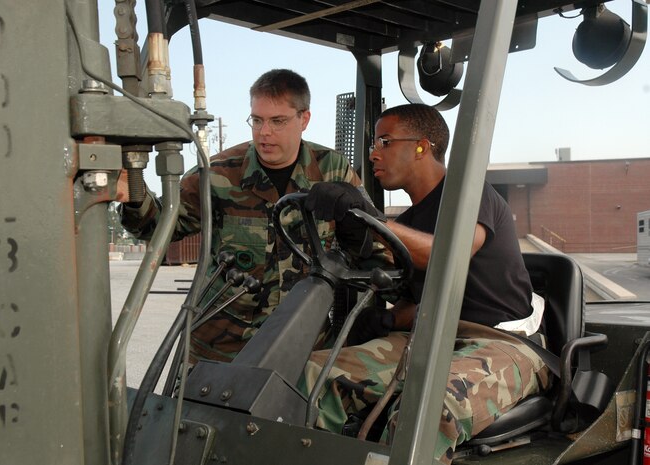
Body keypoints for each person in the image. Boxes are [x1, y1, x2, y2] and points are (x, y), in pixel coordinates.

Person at [300, 103, 550, 464]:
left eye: (384, 142)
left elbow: (447, 255)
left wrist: (376, 222)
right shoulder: (413, 219)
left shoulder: (468, 194)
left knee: (425, 408)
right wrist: (384, 318)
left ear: (421, 146)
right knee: (311, 374)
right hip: (432, 338)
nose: (373, 154)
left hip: (501, 341)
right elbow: (415, 301)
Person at [119, 68, 389, 363]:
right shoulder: (219, 173)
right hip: (221, 348)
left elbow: (374, 242)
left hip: (302, 345)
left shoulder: (331, 170)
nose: (264, 132)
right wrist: (133, 195)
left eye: (278, 121)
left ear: (304, 119)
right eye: (257, 120)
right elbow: (159, 228)